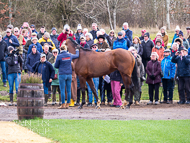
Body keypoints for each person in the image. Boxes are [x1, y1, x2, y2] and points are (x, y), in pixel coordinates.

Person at [55, 45, 79, 109]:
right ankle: (68, 104)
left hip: (62, 74)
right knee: (69, 90)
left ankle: (63, 104)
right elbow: (77, 55)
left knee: (62, 90)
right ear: (66, 49)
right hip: (69, 74)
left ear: (60, 49)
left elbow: (56, 66)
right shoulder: (70, 55)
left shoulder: (59, 56)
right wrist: (77, 50)